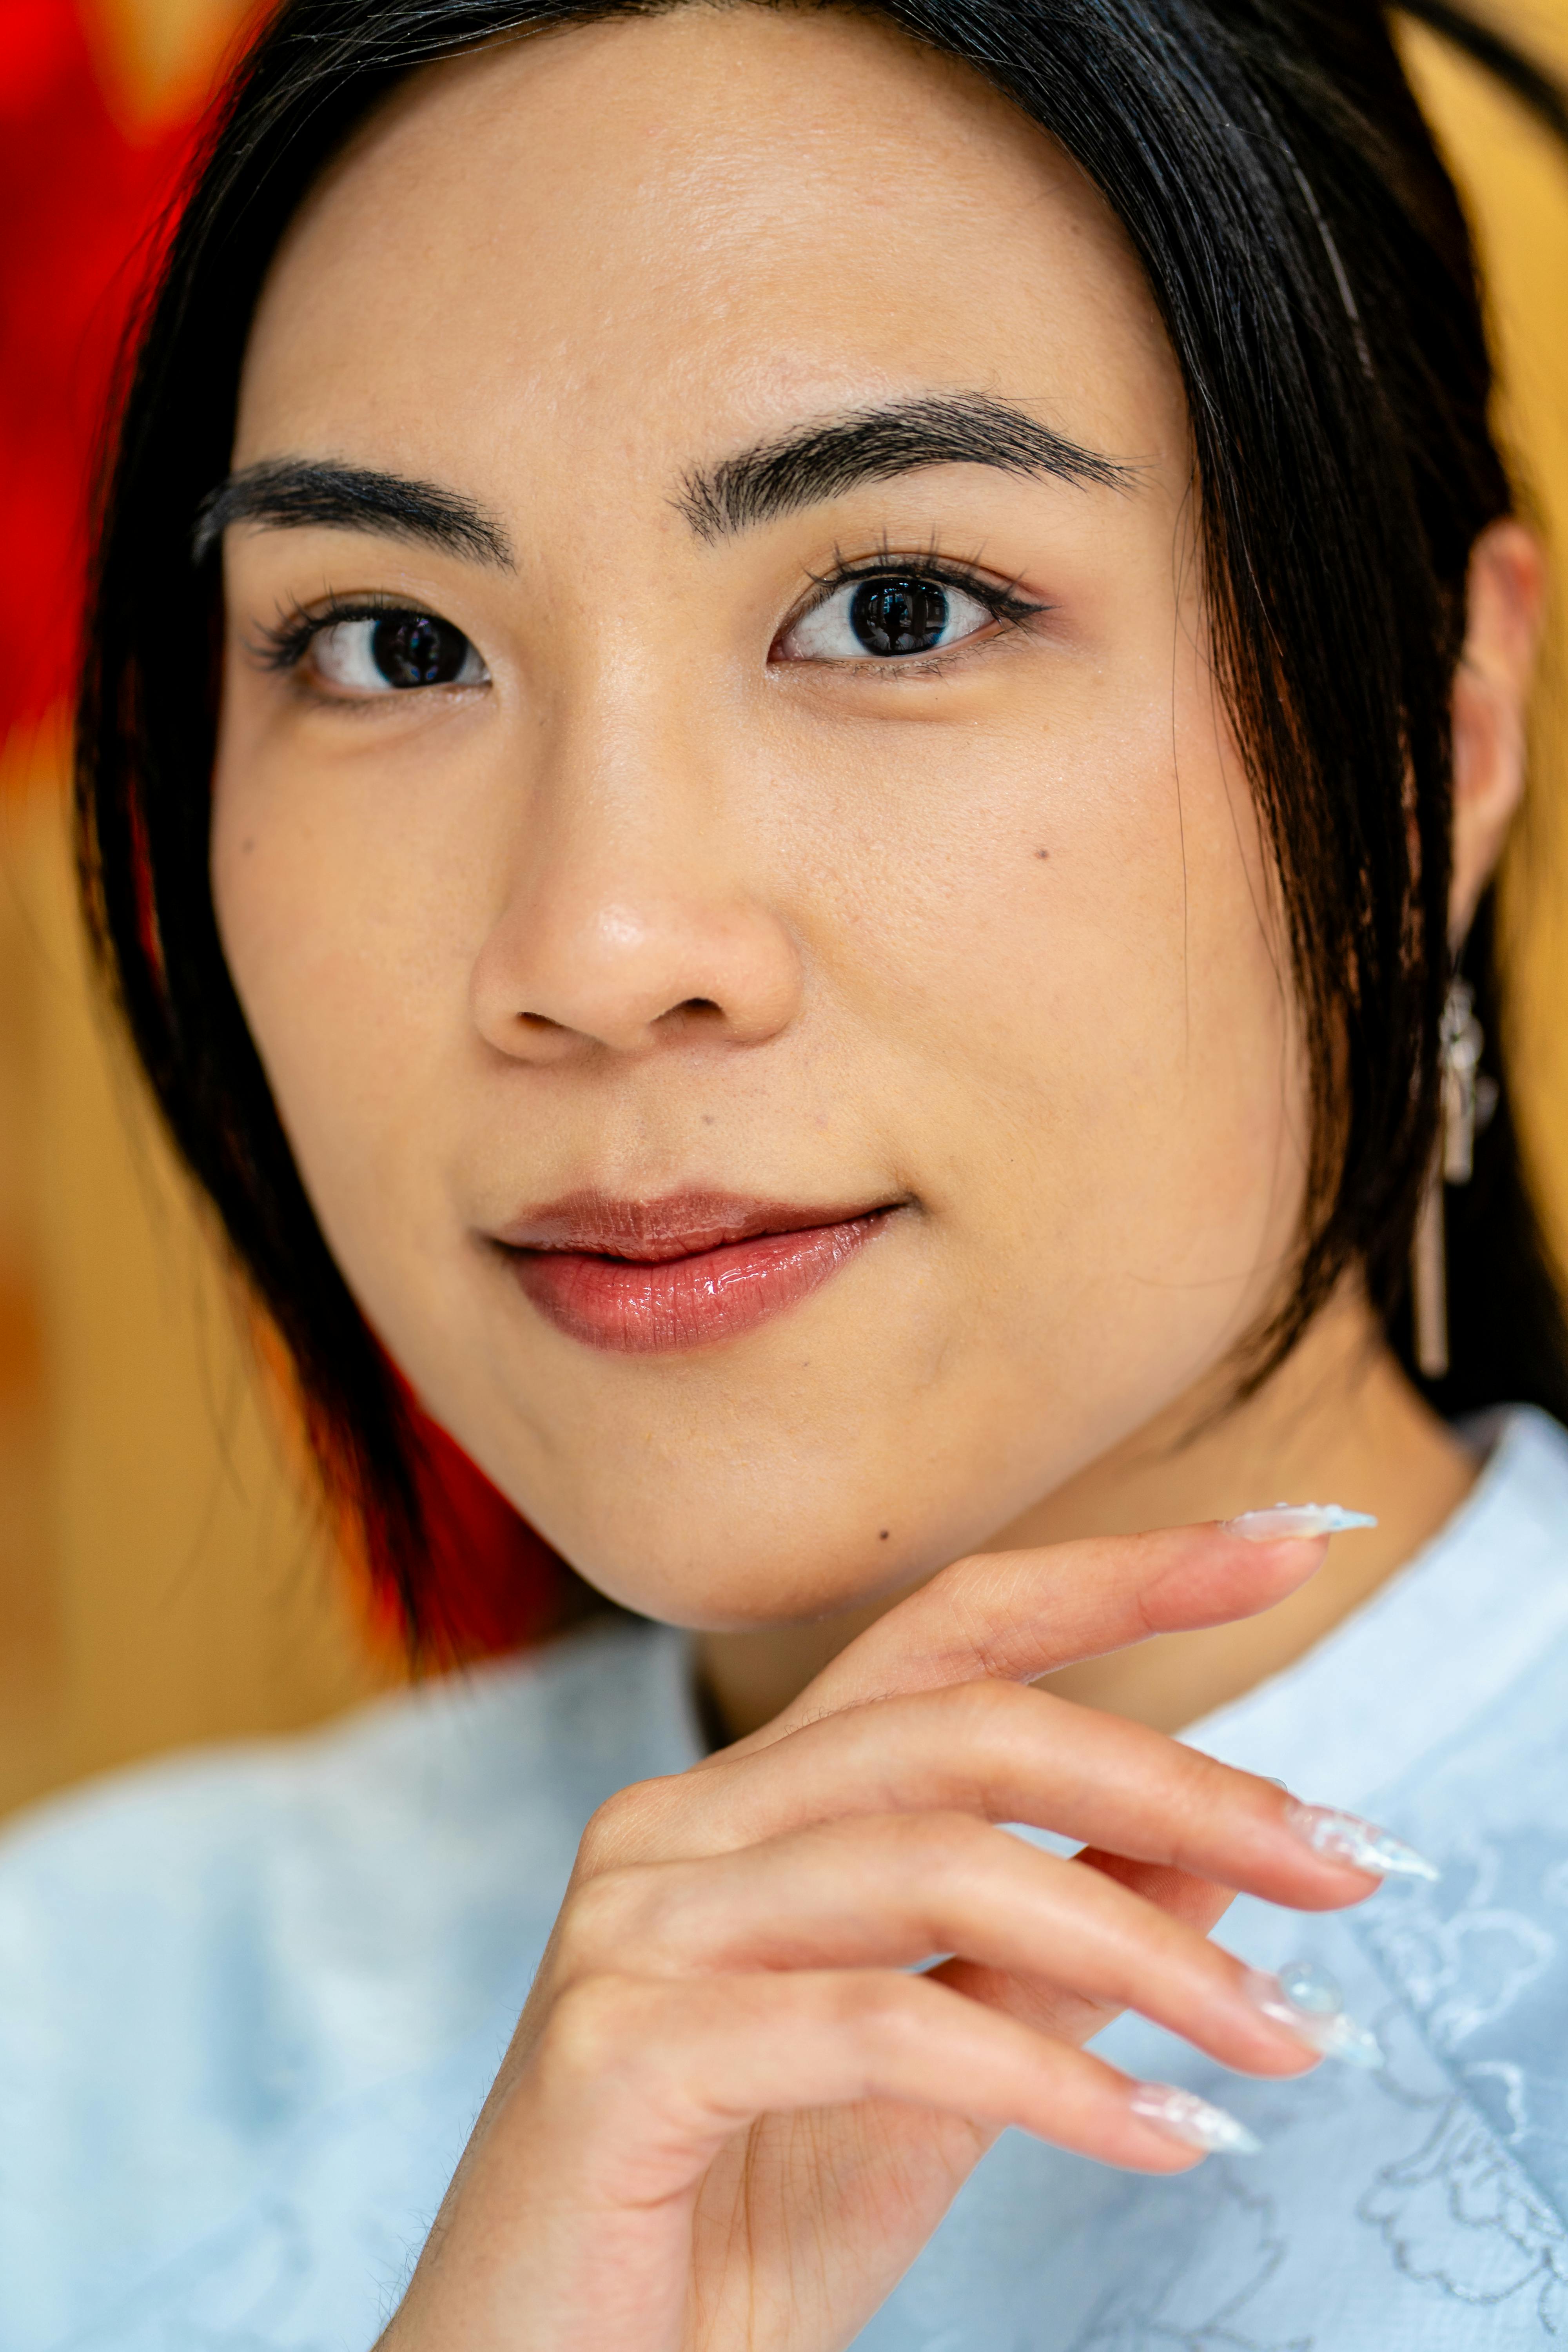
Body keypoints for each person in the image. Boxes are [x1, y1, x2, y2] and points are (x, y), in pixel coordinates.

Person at [5, 0, 1568, 2342]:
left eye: (899, 608)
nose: (601, 951)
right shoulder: (82, 2043)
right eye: (393, 640)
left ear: (1444, 739)